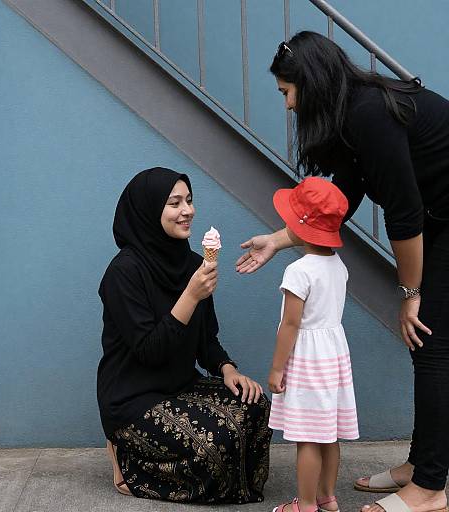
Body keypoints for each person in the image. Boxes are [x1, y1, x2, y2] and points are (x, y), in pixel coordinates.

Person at [236, 30, 449, 512]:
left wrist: (410, 292)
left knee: (431, 342)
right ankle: (422, 464)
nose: (288, 106)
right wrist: (279, 238)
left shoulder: (370, 113)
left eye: (287, 93)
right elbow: (341, 201)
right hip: (437, 217)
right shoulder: (350, 118)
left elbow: (404, 212)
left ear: (309, 84)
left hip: (436, 217)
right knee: (427, 347)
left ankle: (432, 487)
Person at [97, 167, 272, 504]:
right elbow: (149, 351)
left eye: (189, 200)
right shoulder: (124, 272)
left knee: (255, 406)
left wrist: (228, 369)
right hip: (133, 397)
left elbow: (206, 340)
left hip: (179, 386)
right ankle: (129, 459)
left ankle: (221, 477)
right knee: (216, 441)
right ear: (149, 211)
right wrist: (190, 295)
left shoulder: (193, 262)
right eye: (174, 203)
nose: (187, 210)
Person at [267, 177, 358, 512]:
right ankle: (326, 497)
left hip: (307, 358)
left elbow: (291, 324)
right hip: (333, 355)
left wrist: (277, 367)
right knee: (329, 433)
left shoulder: (298, 271)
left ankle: (304, 505)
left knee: (307, 437)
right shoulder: (338, 267)